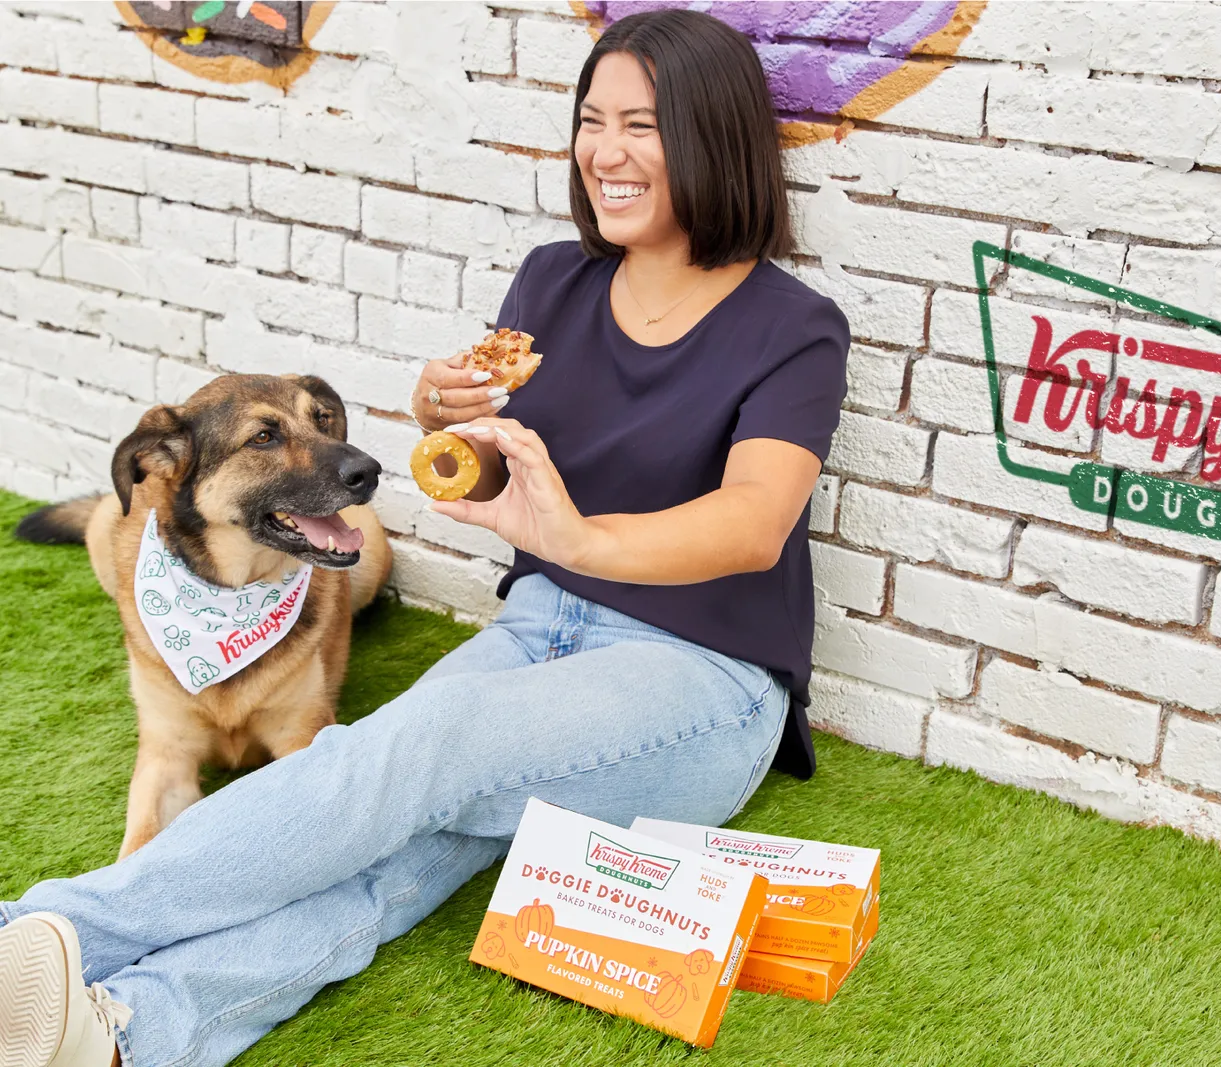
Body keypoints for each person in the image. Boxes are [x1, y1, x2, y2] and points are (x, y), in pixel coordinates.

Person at [0, 10, 849, 1067]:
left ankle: (49, 927)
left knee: (404, 759)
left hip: (699, 680)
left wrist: (576, 540)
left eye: (643, 124)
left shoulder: (792, 323)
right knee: (406, 847)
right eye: (591, 120)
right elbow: (501, 479)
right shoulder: (551, 280)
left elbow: (752, 523)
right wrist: (448, 424)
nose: (605, 152)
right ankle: (124, 1031)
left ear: (713, 138)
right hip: (540, 628)